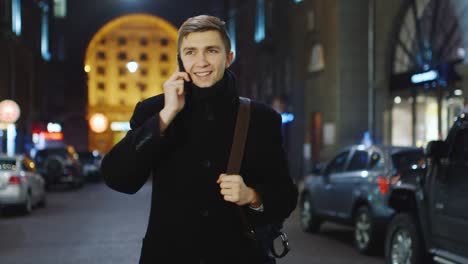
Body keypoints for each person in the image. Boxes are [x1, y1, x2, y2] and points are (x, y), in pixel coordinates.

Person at [101, 14, 298, 264]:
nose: (201, 61)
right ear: (180, 60)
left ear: (228, 58)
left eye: (211, 51)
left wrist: (252, 196)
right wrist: (165, 117)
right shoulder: (154, 111)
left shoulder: (261, 118)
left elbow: (286, 196)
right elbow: (117, 177)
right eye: (191, 52)